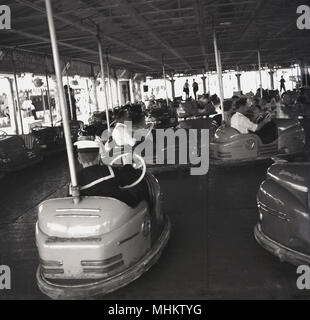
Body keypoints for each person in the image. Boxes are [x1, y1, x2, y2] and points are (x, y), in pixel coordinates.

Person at [71, 135, 149, 207]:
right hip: (116, 209)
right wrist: (128, 164)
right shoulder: (108, 171)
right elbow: (128, 178)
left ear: (79, 160)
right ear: (98, 157)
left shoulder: (74, 181)